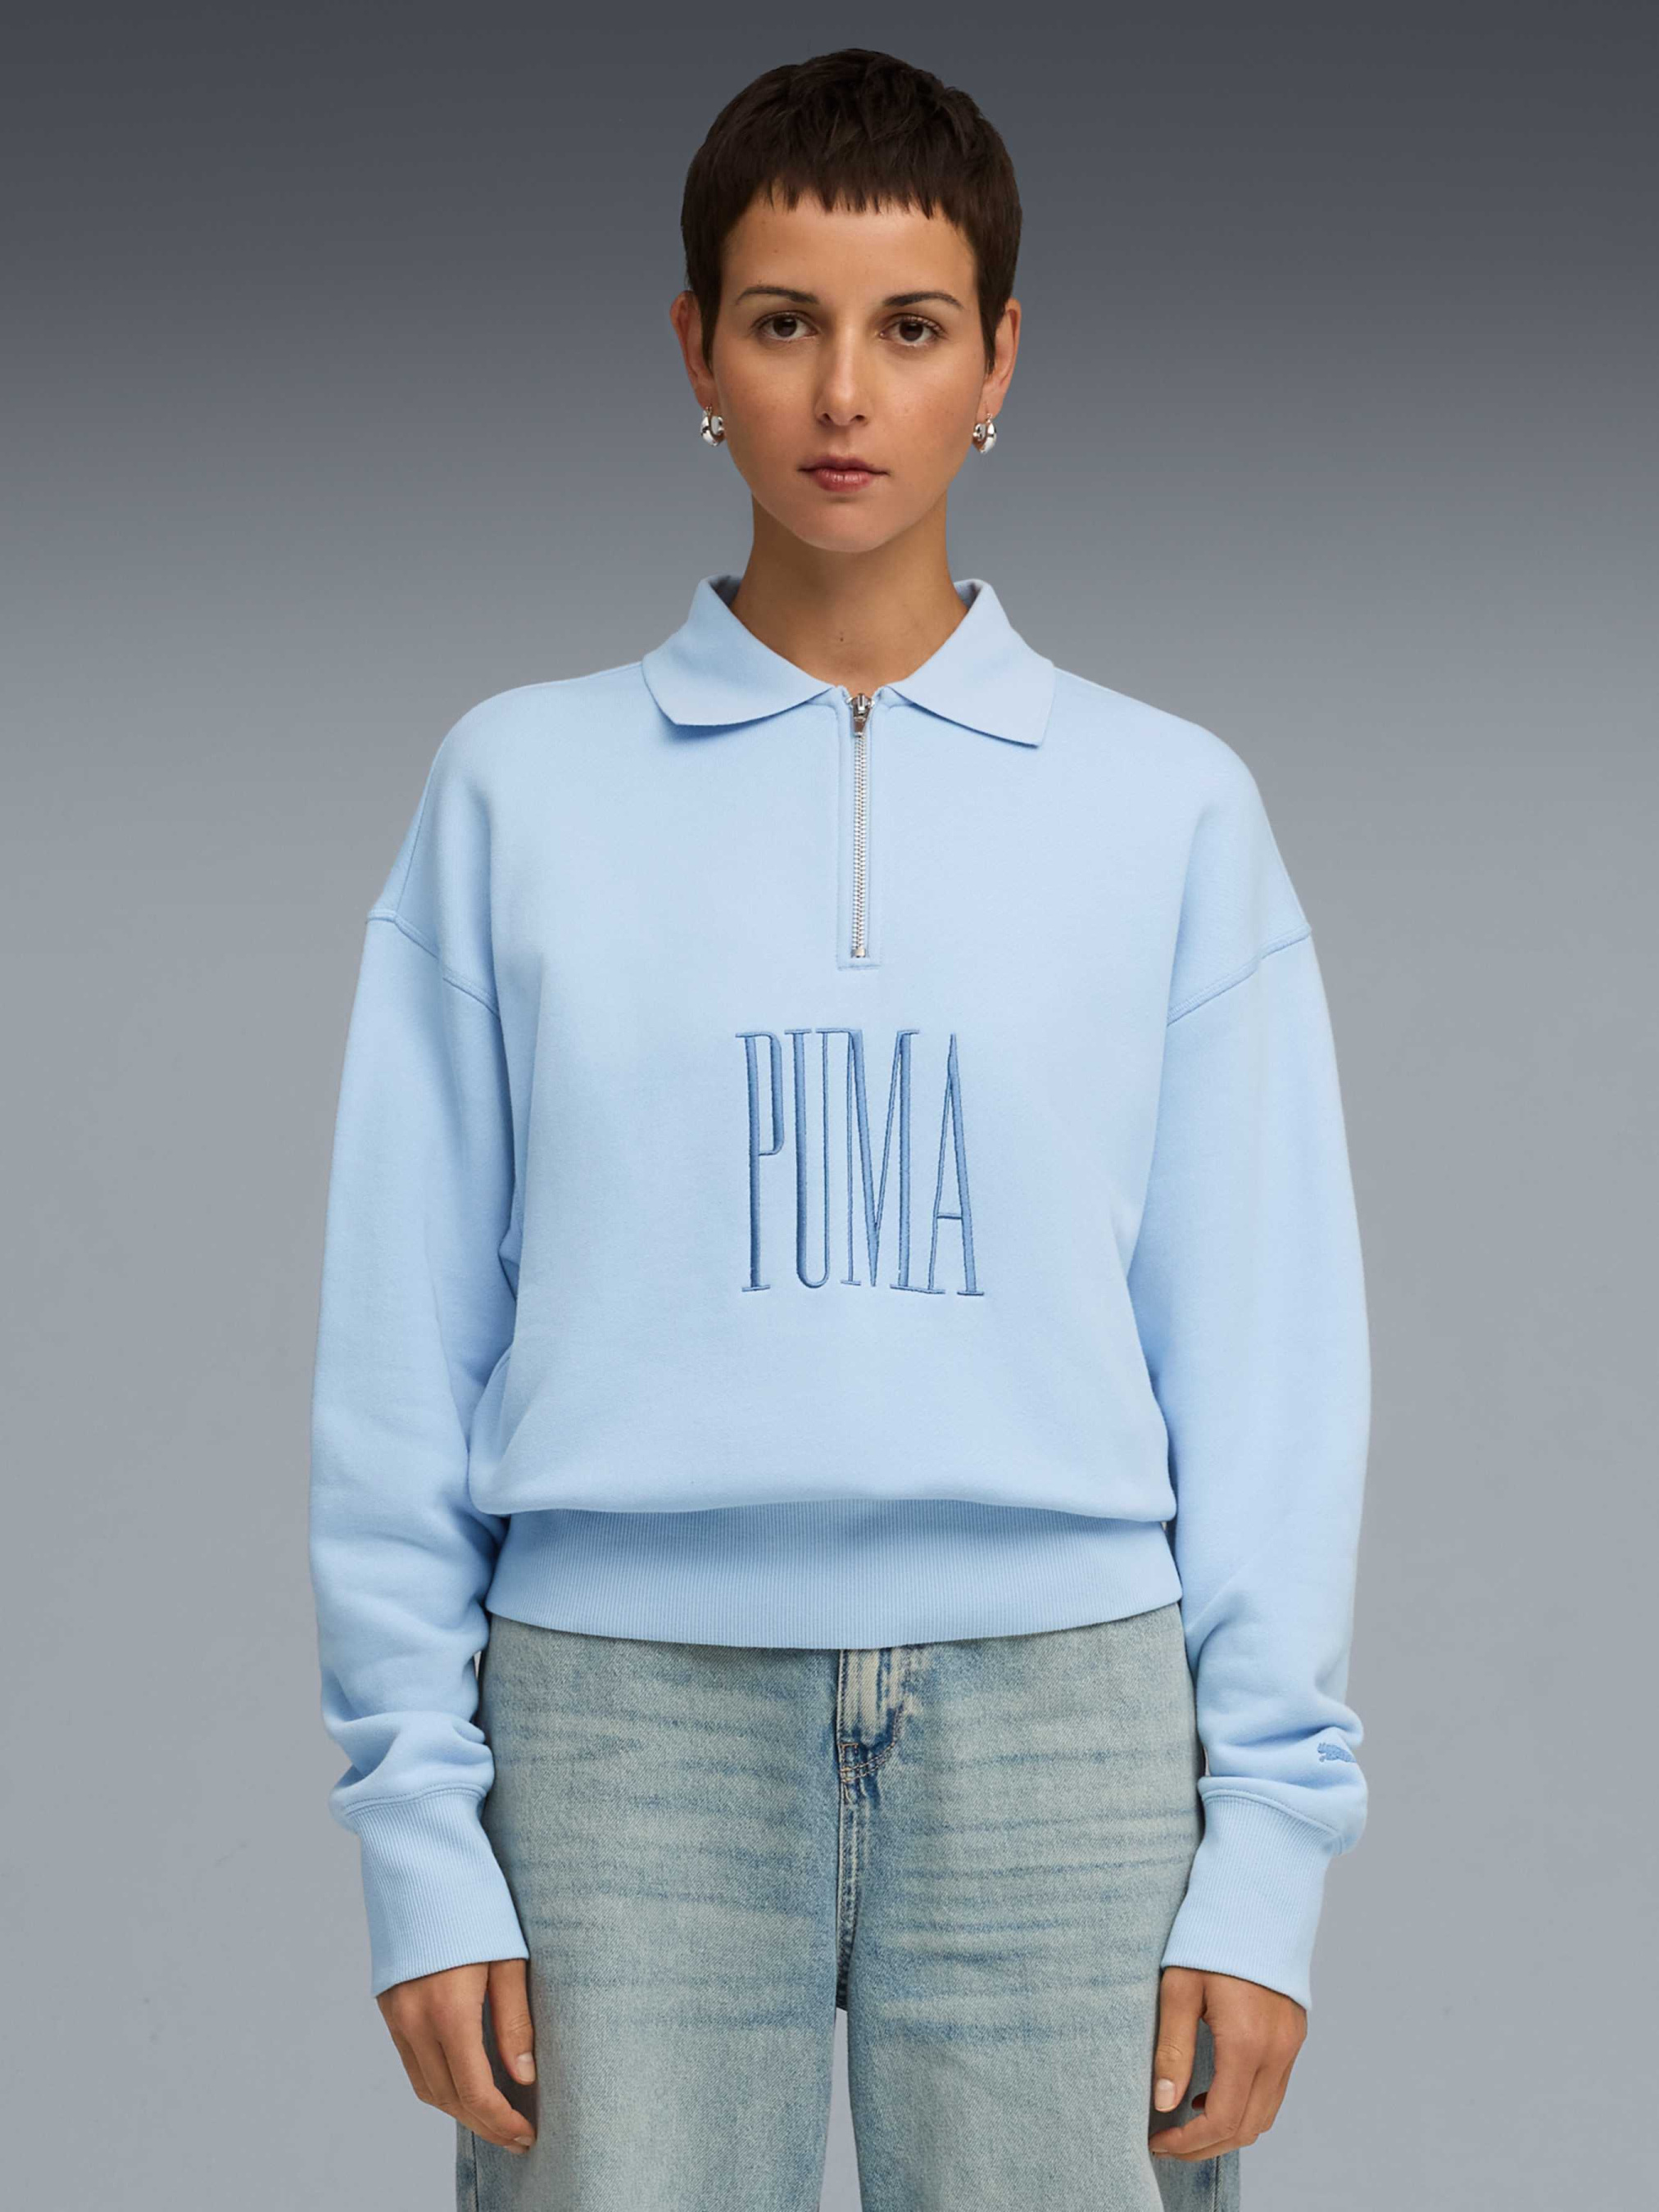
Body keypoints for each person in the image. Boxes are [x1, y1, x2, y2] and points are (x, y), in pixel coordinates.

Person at [307, 46, 1371, 2212]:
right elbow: (401, 1341)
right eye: (785, 321)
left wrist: (1267, 1850)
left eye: (911, 327)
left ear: (1001, 363)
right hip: (616, 1727)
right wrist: (419, 1832)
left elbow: (1267, 1356)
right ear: (696, 352)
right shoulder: (518, 789)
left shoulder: (1167, 807)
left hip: (1068, 1727)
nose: (846, 394)